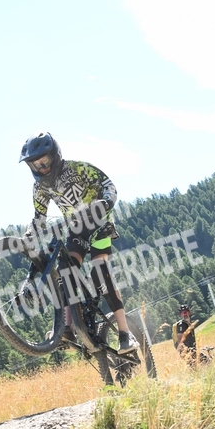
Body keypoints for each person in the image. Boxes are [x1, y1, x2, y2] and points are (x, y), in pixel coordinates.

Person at [19, 131, 139, 354]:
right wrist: (28, 237)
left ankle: (125, 333)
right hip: (77, 228)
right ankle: (68, 328)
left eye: (45, 161)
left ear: (55, 155)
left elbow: (108, 184)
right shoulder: (40, 187)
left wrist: (106, 202)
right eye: (36, 165)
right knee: (65, 269)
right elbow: (39, 219)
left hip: (99, 222)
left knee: (100, 272)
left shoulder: (77, 169)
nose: (42, 168)